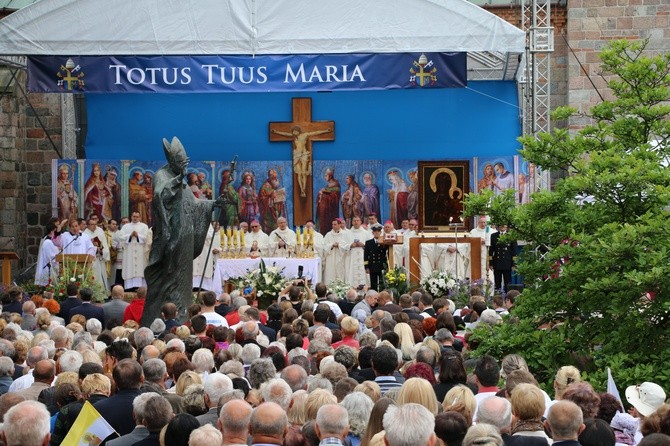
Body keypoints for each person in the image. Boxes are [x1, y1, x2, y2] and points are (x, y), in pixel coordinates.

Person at [142, 137, 226, 326]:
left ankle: (181, 315)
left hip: (185, 240)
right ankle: (163, 317)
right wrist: (177, 179)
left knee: (182, 282)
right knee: (169, 280)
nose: (183, 167)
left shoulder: (183, 181)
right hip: (171, 240)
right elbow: (159, 196)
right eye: (181, 163)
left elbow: (193, 205)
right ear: (172, 162)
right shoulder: (163, 175)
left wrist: (212, 204)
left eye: (184, 164)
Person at [271, 125, 332, 198]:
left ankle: (304, 188)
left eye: (294, 131)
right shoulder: (294, 137)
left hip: (304, 155)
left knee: (303, 173)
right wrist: (276, 132)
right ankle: (302, 190)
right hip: (296, 155)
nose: (293, 132)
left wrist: (326, 131)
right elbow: (285, 134)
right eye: (292, 131)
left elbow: (315, 132)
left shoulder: (305, 135)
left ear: (298, 130)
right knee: (299, 173)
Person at [120, 211, 150, 290]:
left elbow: (147, 238)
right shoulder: (126, 226)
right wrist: (130, 235)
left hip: (140, 251)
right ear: (131, 217)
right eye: (134, 216)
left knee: (141, 269)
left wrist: (138, 235)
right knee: (129, 268)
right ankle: (129, 288)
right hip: (129, 251)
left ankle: (141, 289)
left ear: (140, 217)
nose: (135, 218)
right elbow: (121, 237)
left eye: (137, 216)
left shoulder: (144, 226)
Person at [193, 222, 221, 291]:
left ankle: (205, 288)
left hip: (205, 251)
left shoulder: (208, 225)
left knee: (205, 270)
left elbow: (210, 235)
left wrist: (199, 233)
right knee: (194, 270)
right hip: (195, 249)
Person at [258, 169, 287, 234]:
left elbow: (276, 195)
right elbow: (262, 199)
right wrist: (271, 197)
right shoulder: (266, 186)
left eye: (276, 177)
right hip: (268, 211)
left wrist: (281, 196)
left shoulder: (273, 186)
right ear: (270, 177)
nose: (275, 179)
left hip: (275, 210)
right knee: (270, 226)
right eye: (273, 177)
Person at [490, 225, 517, 293]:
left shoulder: (511, 236)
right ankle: (498, 300)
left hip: (507, 263)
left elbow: (514, 251)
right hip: (497, 263)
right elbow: (491, 251)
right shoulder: (493, 236)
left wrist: (514, 264)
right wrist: (490, 263)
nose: (502, 227)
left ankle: (508, 299)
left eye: (504, 225)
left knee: (508, 283)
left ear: (506, 226)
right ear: (498, 226)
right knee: (497, 283)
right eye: (501, 225)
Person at [322, 218, 351, 284]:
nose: (333, 226)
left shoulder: (345, 234)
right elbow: (324, 246)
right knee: (330, 274)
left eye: (335, 224)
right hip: (330, 258)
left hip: (341, 258)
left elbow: (348, 246)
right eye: (332, 224)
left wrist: (339, 245)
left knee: (340, 274)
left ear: (339, 225)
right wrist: (332, 245)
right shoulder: (328, 234)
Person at [346, 216, 372, 288]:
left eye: (357, 220)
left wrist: (363, 245)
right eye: (354, 221)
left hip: (363, 257)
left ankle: (365, 289)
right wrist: (350, 245)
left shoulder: (366, 233)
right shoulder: (347, 233)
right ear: (352, 222)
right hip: (351, 258)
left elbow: (370, 246)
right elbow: (343, 245)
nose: (356, 222)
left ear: (361, 222)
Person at [34, 220, 61, 286]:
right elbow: (52, 257)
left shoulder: (48, 240)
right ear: (53, 230)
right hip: (48, 271)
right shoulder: (48, 242)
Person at [470, 216, 496, 282]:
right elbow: (469, 243)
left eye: (484, 222)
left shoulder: (492, 231)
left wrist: (487, 241)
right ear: (478, 223)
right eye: (481, 222)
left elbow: (496, 243)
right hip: (477, 256)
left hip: (488, 255)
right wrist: (478, 242)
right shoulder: (473, 232)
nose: (483, 224)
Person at [317, 168, 341, 236]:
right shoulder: (328, 185)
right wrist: (320, 195)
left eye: (326, 175)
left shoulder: (336, 184)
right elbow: (327, 193)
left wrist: (324, 195)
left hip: (331, 211)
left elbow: (335, 197)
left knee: (329, 225)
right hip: (325, 211)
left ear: (330, 175)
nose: (325, 177)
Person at [364, 224, 388, 291]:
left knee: (382, 284)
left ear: (381, 232)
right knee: (373, 284)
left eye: (378, 231)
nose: (377, 233)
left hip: (381, 265)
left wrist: (387, 266)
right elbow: (366, 255)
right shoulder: (368, 242)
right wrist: (366, 267)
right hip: (372, 266)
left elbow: (388, 253)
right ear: (372, 233)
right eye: (375, 231)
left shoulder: (384, 242)